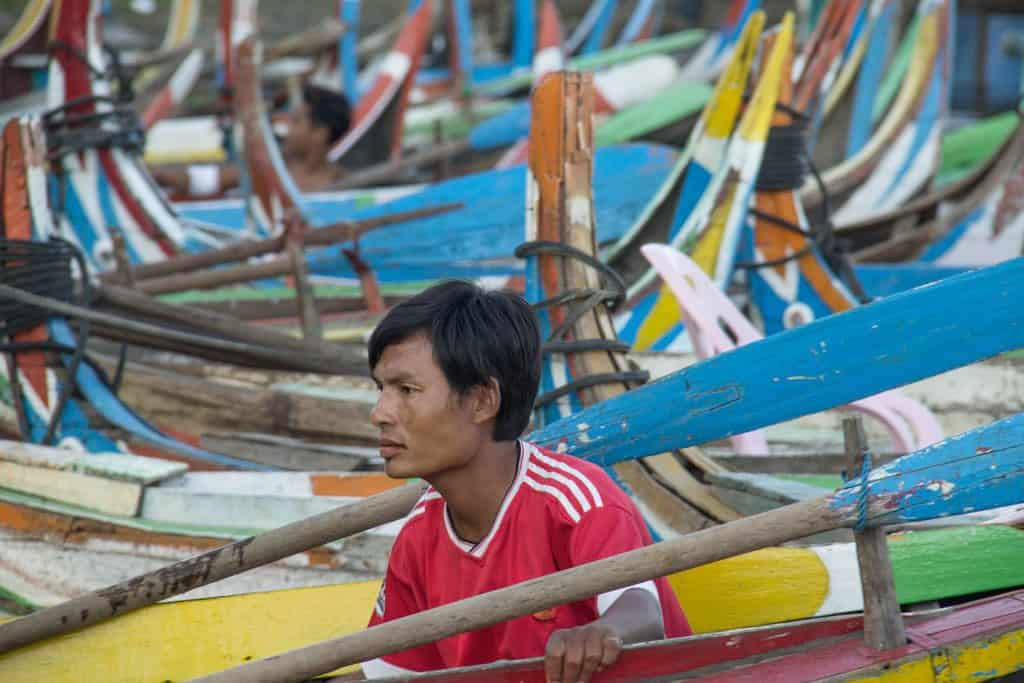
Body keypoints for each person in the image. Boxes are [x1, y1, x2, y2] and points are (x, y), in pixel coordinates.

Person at [355, 280, 691, 682]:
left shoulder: (577, 501)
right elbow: (389, 674)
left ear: (482, 401)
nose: (380, 413)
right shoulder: (417, 536)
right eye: (382, 389)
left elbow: (640, 610)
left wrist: (601, 632)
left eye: (406, 390)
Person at [150, 84, 350, 197]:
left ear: (319, 134)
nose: (287, 128)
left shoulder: (342, 184)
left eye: (296, 122)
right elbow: (208, 180)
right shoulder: (268, 168)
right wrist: (156, 177)